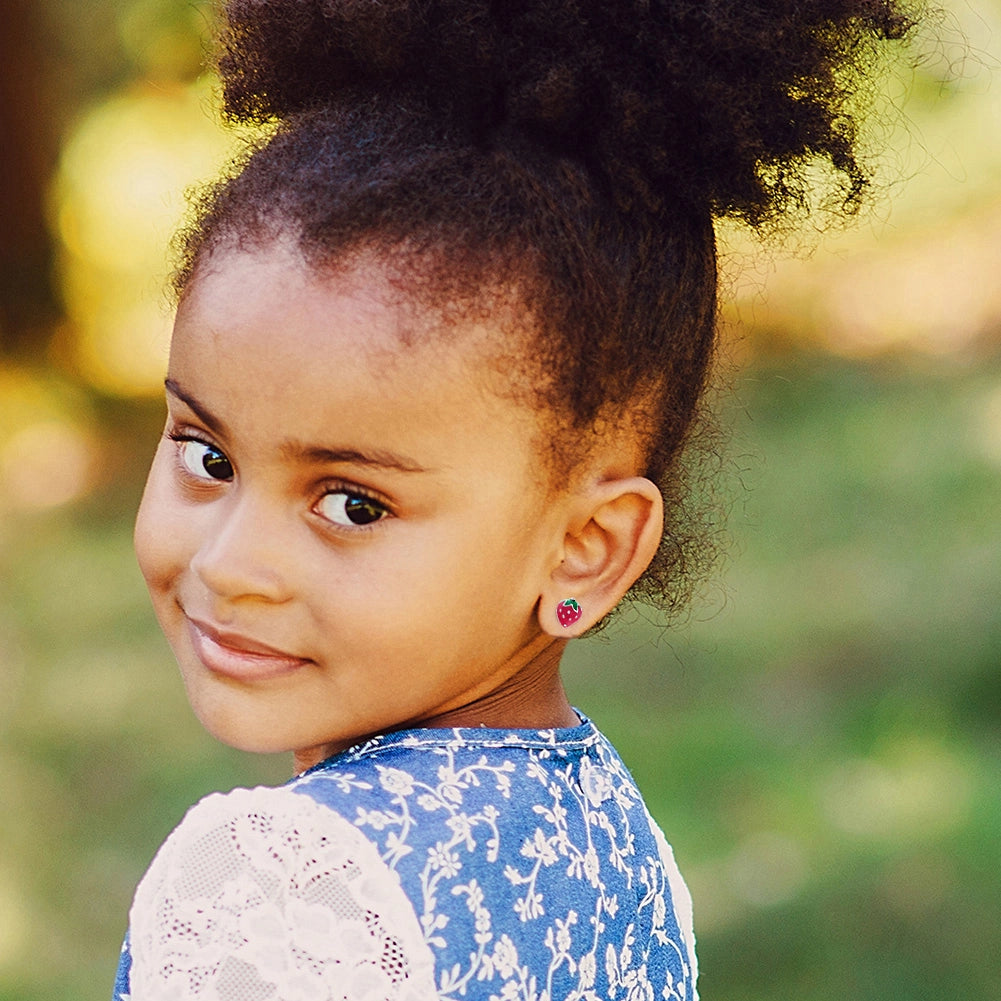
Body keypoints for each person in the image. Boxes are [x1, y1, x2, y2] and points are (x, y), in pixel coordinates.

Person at [113, 1, 920, 998]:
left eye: (353, 504)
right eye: (206, 455)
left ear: (583, 547)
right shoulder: (602, 838)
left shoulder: (279, 889)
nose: (229, 562)